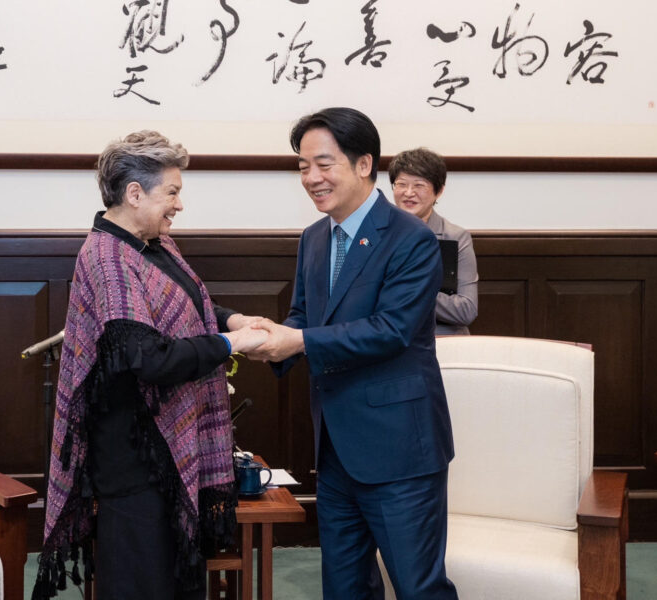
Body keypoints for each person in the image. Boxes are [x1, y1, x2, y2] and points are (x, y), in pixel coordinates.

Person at [32, 131, 267, 600]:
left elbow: (185, 304)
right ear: (134, 193)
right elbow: (149, 357)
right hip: (134, 455)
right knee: (143, 582)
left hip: (161, 444)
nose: (179, 205)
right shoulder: (108, 257)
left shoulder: (150, 242)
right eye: (172, 192)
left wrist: (233, 319)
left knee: (175, 577)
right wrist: (230, 343)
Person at [250, 108, 458, 600]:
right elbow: (304, 315)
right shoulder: (314, 238)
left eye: (324, 164)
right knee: (344, 588)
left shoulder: (412, 238)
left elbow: (392, 330)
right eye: (303, 166)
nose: (311, 178)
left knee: (418, 587)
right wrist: (271, 338)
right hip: (336, 448)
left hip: (399, 449)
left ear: (364, 164)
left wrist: (297, 341)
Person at [389, 148, 478, 335]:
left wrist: (409, 291)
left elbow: (466, 310)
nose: (408, 193)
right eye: (401, 184)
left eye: (419, 185)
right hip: (389, 339)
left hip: (442, 341)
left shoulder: (456, 237)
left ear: (439, 191)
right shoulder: (377, 234)